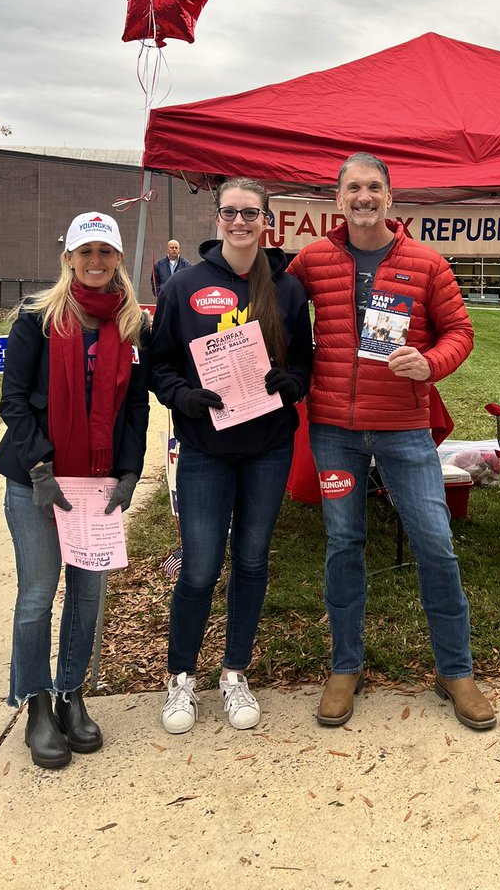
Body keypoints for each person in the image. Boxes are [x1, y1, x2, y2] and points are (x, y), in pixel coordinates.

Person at [288, 153, 496, 731]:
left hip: (405, 428)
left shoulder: (425, 263)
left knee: (436, 543)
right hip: (333, 430)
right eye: (352, 187)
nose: (363, 196)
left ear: (389, 196)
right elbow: (269, 304)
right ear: (337, 199)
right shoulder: (312, 260)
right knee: (343, 543)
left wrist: (429, 364)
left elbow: (461, 331)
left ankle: (456, 670)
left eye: (373, 187)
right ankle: (344, 666)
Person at [149, 177, 312, 736]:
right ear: (217, 218)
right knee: (198, 567)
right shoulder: (184, 286)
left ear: (267, 220)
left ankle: (235, 671)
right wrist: (183, 397)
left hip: (268, 447)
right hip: (206, 448)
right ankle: (181, 679)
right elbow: (158, 365)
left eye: (251, 213)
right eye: (230, 212)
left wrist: (290, 383)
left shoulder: (287, 289)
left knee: (251, 561)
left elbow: (305, 364)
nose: (240, 222)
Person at [0, 211, 150, 769]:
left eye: (106, 252)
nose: (96, 262)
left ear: (118, 259)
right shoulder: (37, 316)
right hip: (37, 480)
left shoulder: (132, 324)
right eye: (87, 252)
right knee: (37, 595)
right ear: (69, 258)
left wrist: (130, 472)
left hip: (97, 483)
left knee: (89, 595)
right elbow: (13, 400)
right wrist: (39, 470)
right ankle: (36, 704)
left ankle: (71, 694)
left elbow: (134, 406)